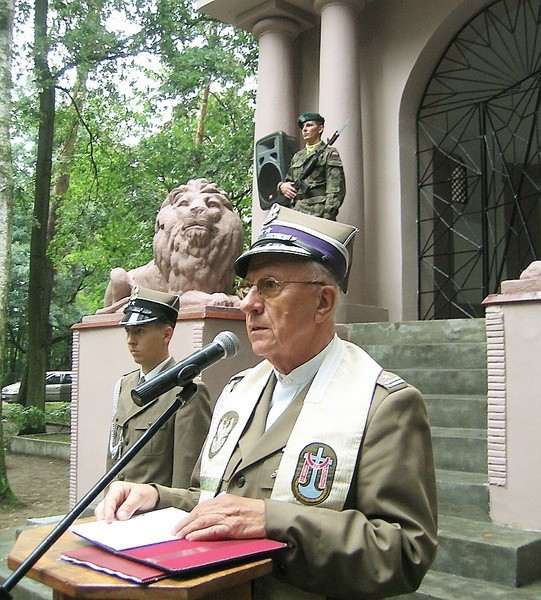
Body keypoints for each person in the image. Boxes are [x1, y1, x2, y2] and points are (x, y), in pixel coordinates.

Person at [96, 205, 438, 599]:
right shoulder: (240, 391)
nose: (248, 304)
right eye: (248, 288)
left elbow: (403, 552)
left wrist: (272, 520)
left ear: (323, 303)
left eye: (270, 286)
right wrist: (157, 496)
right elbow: (215, 504)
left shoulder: (384, 406)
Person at [106, 286, 212, 488]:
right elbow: (113, 460)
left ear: (166, 335)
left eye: (139, 331)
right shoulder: (124, 386)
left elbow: (185, 479)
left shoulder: (187, 392)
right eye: (128, 331)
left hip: (155, 514)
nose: (131, 340)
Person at [277, 112, 346, 221]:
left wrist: (328, 215)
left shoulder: (329, 153)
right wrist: (281, 186)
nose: (304, 129)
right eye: (303, 126)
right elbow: (290, 180)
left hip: (318, 212)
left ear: (320, 129)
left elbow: (335, 188)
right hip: (297, 212)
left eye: (309, 125)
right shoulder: (297, 156)